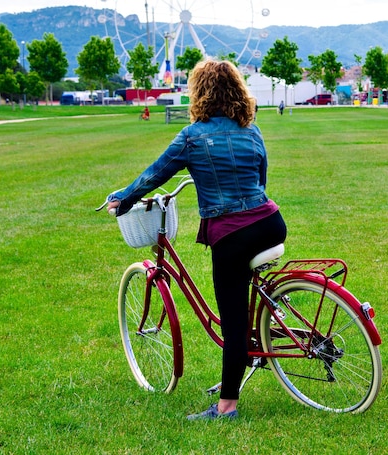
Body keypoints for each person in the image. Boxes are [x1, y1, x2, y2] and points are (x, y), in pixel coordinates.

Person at [107, 59, 287, 421]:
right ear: (237, 89)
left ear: (199, 92)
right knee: (243, 299)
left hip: (232, 233)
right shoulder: (251, 129)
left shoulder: (192, 136)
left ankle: (226, 407)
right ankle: (255, 341)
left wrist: (123, 199)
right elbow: (261, 179)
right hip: (270, 221)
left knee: (233, 322)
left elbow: (154, 175)